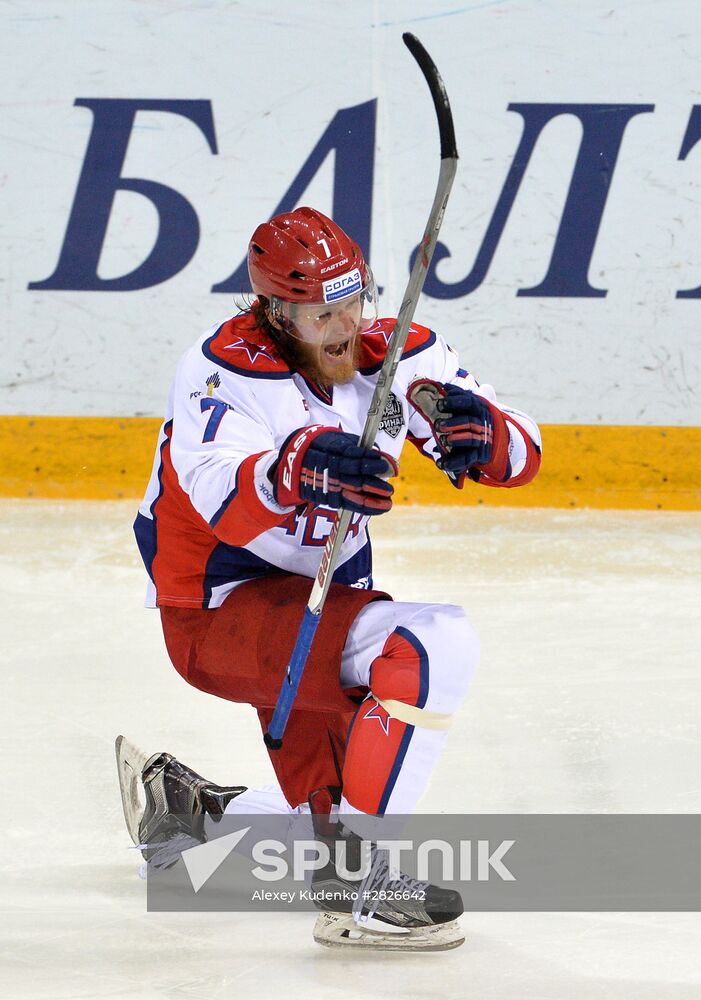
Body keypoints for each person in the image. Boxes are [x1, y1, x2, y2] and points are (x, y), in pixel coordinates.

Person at [116, 205, 541, 950]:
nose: (345, 323)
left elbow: (522, 451)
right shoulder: (223, 367)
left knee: (330, 830)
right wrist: (300, 467)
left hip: (321, 603)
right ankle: (369, 892)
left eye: (355, 299)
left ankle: (188, 812)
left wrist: (483, 431)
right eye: (321, 312)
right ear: (276, 312)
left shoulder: (397, 354)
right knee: (432, 645)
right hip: (218, 611)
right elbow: (224, 501)